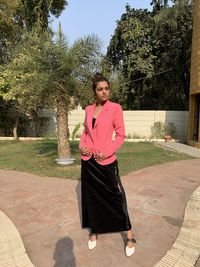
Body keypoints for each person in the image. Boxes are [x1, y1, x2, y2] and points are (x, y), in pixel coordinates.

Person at [79, 73, 136, 257]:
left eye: (106, 88)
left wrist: (108, 151)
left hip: (106, 161)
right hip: (88, 162)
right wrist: (82, 146)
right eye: (100, 89)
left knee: (116, 197)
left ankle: (129, 235)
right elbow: (85, 132)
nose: (104, 92)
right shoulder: (88, 110)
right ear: (94, 92)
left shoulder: (115, 108)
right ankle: (94, 232)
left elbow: (120, 135)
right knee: (91, 198)